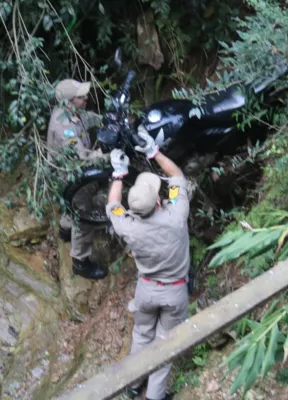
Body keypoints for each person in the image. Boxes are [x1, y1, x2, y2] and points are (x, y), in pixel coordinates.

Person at [106, 126, 193, 400]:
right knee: (164, 346)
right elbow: (177, 176)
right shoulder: (176, 214)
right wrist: (154, 152)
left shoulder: (128, 227)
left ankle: (132, 386)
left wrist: (118, 174)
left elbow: (113, 206)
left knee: (142, 336)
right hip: (175, 291)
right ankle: (154, 397)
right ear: (158, 200)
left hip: (146, 290)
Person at [47, 78, 108, 280]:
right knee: (84, 216)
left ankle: (65, 230)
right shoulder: (65, 127)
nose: (86, 99)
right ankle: (80, 262)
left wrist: (103, 119)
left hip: (66, 176)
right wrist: (103, 157)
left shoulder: (70, 112)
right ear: (69, 101)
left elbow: (86, 118)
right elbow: (79, 156)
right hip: (71, 176)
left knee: (70, 206)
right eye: (81, 97)